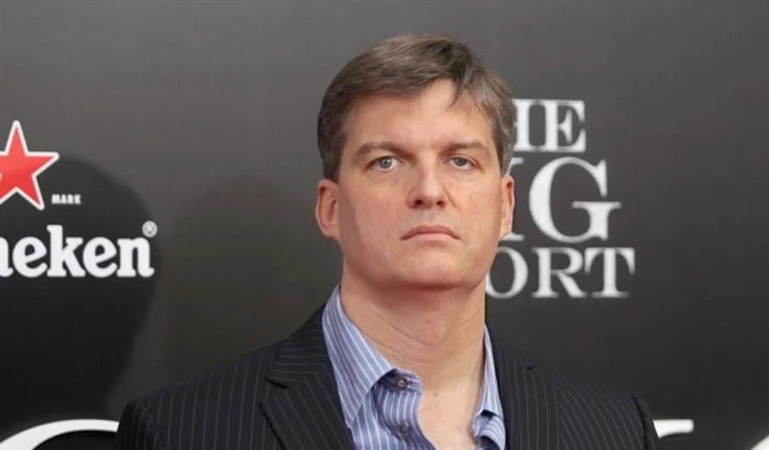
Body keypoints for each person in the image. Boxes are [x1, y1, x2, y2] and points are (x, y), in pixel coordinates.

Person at [115, 33, 660, 450]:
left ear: (506, 206)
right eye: (387, 162)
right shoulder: (182, 431)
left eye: (460, 161)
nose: (429, 191)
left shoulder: (614, 430)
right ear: (330, 208)